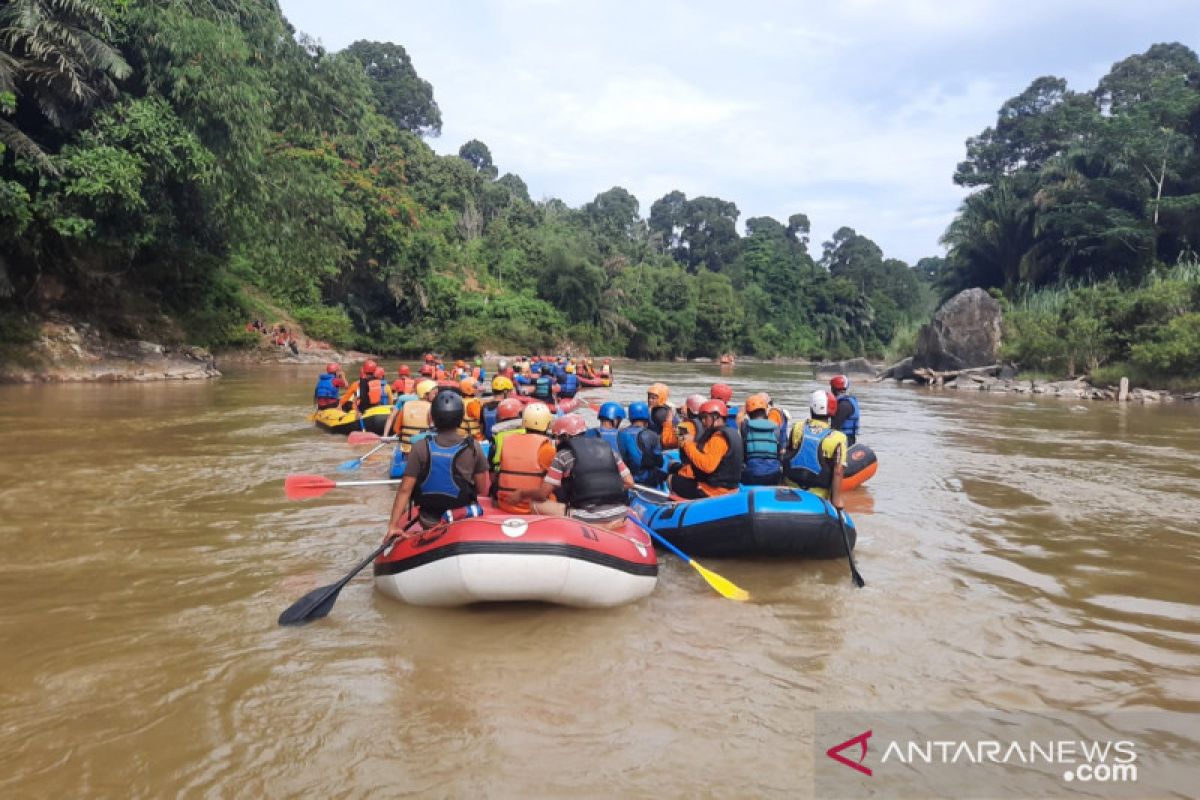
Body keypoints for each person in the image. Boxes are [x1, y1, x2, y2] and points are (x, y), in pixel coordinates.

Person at [508, 414, 634, 530]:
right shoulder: (609, 450)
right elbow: (629, 482)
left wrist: (521, 494)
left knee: (534, 503)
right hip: (618, 515)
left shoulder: (563, 456)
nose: (556, 441)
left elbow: (542, 494)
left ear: (565, 437)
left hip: (585, 519)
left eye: (557, 437)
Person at [386, 392, 489, 532]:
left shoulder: (419, 446)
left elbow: (404, 490)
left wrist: (393, 526)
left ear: (433, 418)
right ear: (460, 419)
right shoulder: (474, 447)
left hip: (428, 520)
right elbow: (482, 491)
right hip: (460, 520)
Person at [783, 390, 847, 508]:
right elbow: (838, 471)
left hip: (791, 489)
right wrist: (836, 501)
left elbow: (788, 455)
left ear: (811, 408)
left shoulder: (797, 427)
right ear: (832, 411)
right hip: (818, 496)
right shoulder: (839, 438)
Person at [669, 400, 744, 499]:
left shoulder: (718, 438)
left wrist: (687, 444)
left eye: (705, 417)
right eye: (701, 418)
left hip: (713, 491)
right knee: (674, 466)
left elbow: (707, 466)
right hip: (729, 487)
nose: (703, 421)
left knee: (671, 479)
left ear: (716, 417)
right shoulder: (732, 432)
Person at [495, 403, 557, 514]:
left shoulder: (507, 442)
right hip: (531, 508)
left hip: (505, 504)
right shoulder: (547, 449)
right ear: (547, 424)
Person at [617, 401, 665, 487]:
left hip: (626, 478)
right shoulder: (652, 435)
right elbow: (660, 462)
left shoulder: (620, 434)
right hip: (646, 479)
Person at [739, 393, 782, 486]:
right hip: (773, 474)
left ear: (748, 412)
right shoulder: (776, 428)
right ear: (765, 410)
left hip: (751, 474)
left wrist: (743, 412)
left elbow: (739, 420)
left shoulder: (745, 426)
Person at [386, 378, 438, 453]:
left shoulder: (406, 405)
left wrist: (388, 435)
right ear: (426, 394)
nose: (437, 396)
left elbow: (396, 429)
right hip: (423, 451)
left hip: (406, 449)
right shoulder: (433, 408)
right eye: (435, 394)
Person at [487, 397, 526, 473]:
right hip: (527, 476)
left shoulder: (496, 438)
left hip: (502, 478)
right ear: (521, 414)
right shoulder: (529, 433)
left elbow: (490, 466)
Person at [830, 374, 860, 446]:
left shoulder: (843, 405)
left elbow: (835, 427)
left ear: (834, 389)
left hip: (845, 439)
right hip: (849, 438)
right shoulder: (849, 401)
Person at [647, 383, 679, 449]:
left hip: (663, 445)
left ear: (661, 398)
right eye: (649, 397)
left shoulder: (659, 414)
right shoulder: (663, 408)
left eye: (653, 398)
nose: (650, 400)